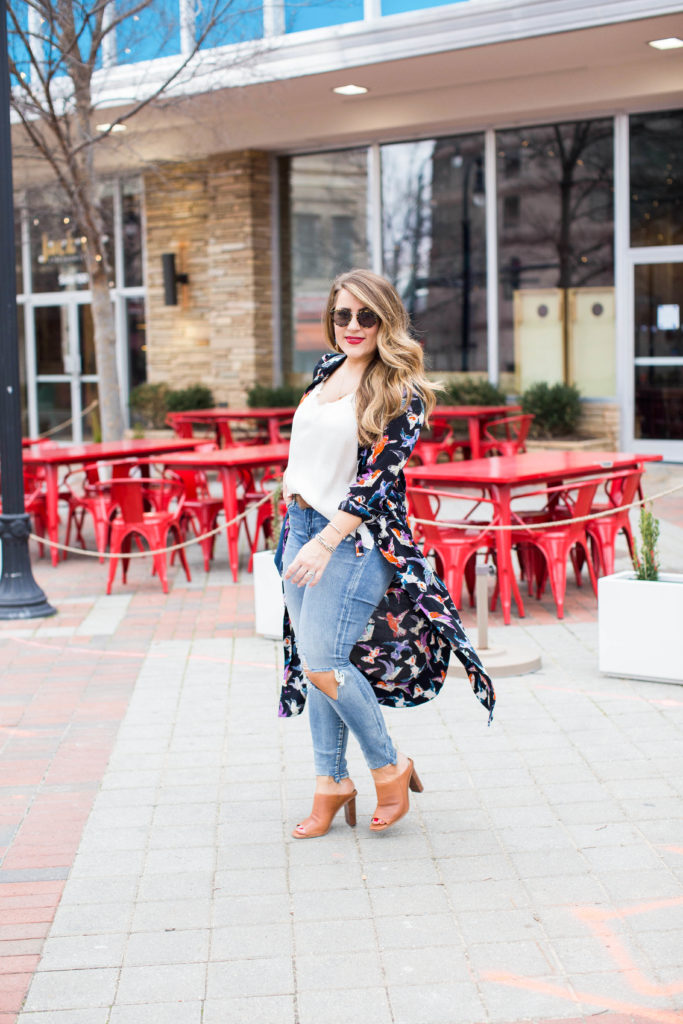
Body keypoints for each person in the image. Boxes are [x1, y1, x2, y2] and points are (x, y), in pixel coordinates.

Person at [278, 268, 495, 839]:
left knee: (324, 661)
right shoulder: (326, 371)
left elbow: (375, 482)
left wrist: (326, 541)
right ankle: (330, 783)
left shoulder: (403, 389)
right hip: (298, 529)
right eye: (342, 314)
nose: (352, 326)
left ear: (387, 320)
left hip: (349, 539)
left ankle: (389, 766)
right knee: (314, 663)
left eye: (366, 316)